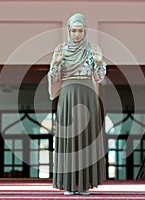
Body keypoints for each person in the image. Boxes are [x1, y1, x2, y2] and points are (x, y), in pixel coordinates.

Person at [48, 13, 107, 195]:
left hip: (88, 95)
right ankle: (68, 185)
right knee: (69, 139)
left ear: (85, 31)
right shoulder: (61, 50)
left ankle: (84, 184)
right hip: (68, 95)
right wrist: (56, 64)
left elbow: (98, 78)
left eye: (80, 30)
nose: (76, 34)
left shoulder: (92, 49)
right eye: (73, 31)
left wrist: (98, 62)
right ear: (68, 30)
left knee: (86, 140)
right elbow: (54, 78)